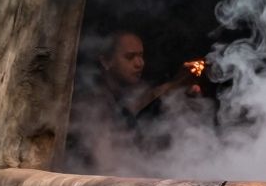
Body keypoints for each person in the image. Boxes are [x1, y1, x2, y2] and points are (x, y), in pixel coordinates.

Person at [65, 30, 197, 171]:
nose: (140, 63)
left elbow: (141, 101)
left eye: (141, 56)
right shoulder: (92, 103)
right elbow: (106, 164)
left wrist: (176, 86)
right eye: (130, 57)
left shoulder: (120, 97)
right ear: (106, 61)